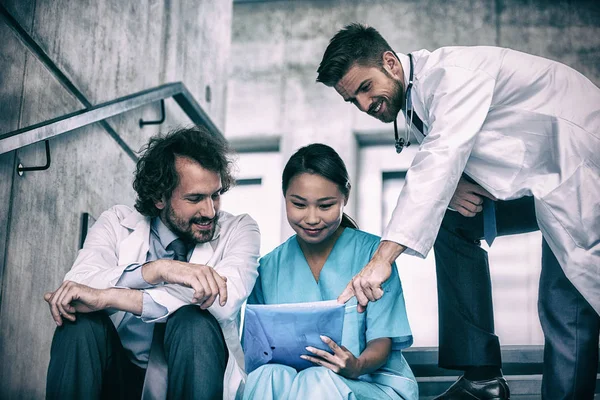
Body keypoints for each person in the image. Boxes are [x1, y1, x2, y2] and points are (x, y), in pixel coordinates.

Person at [316, 23, 600, 400]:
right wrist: (456, 184)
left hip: (581, 174)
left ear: (390, 63)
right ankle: (481, 376)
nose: (366, 105)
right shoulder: (415, 101)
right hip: (542, 182)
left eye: (366, 88)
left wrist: (383, 258)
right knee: (452, 220)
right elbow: (458, 156)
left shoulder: (452, 75)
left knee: (563, 305)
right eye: (354, 100)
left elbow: (441, 158)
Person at [44, 126, 260, 399]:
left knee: (194, 321)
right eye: (195, 199)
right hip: (120, 376)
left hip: (194, 376)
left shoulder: (240, 230)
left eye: (215, 195)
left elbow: (223, 301)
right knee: (79, 323)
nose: (210, 211)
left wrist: (110, 297)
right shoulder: (116, 222)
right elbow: (78, 286)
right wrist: (159, 270)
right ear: (160, 197)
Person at [243, 143, 418, 400]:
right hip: (294, 384)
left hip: (369, 384)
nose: (312, 218)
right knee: (265, 376)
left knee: (318, 378)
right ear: (284, 197)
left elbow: (382, 342)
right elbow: (258, 351)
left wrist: (355, 366)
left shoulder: (374, 256)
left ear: (344, 197)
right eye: (299, 205)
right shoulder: (268, 267)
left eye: (325, 206)